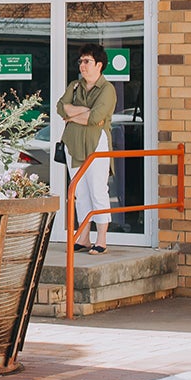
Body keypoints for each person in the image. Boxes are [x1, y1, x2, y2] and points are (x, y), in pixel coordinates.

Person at [57, 43, 117, 255]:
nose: (82, 65)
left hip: (96, 144)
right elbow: (60, 107)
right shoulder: (75, 86)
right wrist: (83, 113)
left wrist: (72, 116)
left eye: (87, 61)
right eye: (80, 61)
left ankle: (101, 239)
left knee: (98, 190)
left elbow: (96, 117)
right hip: (73, 145)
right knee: (80, 193)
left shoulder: (107, 89)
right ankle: (83, 237)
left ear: (99, 65)